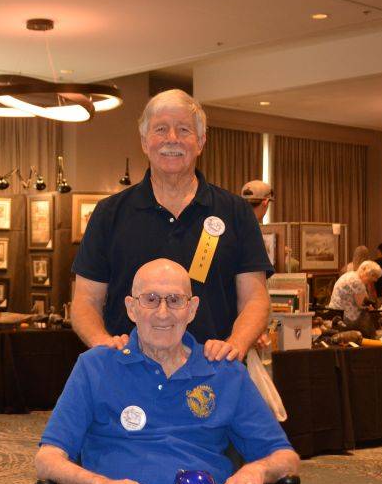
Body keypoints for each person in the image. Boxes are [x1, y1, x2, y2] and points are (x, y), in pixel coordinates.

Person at [35, 259, 299, 484]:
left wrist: (256, 471)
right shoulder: (95, 367)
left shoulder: (225, 371)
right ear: (131, 307)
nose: (163, 313)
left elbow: (286, 458)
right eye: (150, 299)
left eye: (175, 300)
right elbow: (47, 458)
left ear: (192, 308)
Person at [72, 89, 273, 362]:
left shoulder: (235, 212)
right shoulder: (109, 214)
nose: (172, 139)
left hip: (213, 373)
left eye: (183, 130)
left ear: (201, 141)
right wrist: (102, 344)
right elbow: (85, 301)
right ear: (144, 141)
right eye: (161, 129)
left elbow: (255, 299)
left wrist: (235, 345)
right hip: (128, 371)